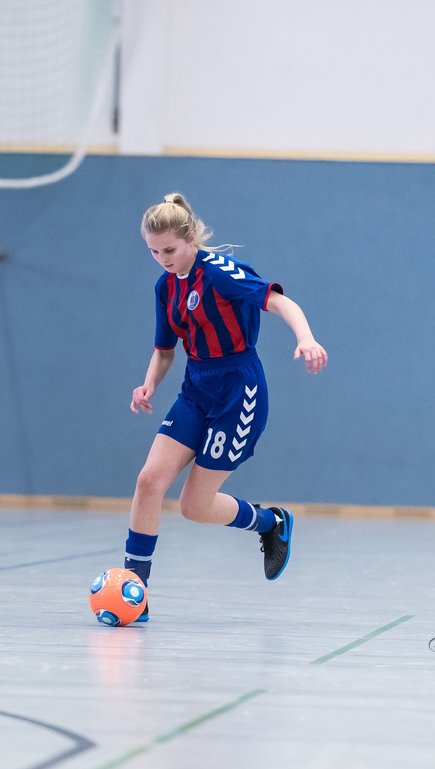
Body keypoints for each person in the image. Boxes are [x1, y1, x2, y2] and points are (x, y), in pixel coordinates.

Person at [123, 193, 328, 621]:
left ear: (190, 238)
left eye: (170, 250)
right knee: (148, 482)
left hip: (238, 392)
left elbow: (279, 301)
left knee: (194, 507)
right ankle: (134, 593)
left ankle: (271, 523)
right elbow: (164, 351)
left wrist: (305, 338)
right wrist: (147, 386)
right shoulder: (166, 286)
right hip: (196, 387)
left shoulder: (219, 273)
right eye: (153, 252)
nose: (163, 259)